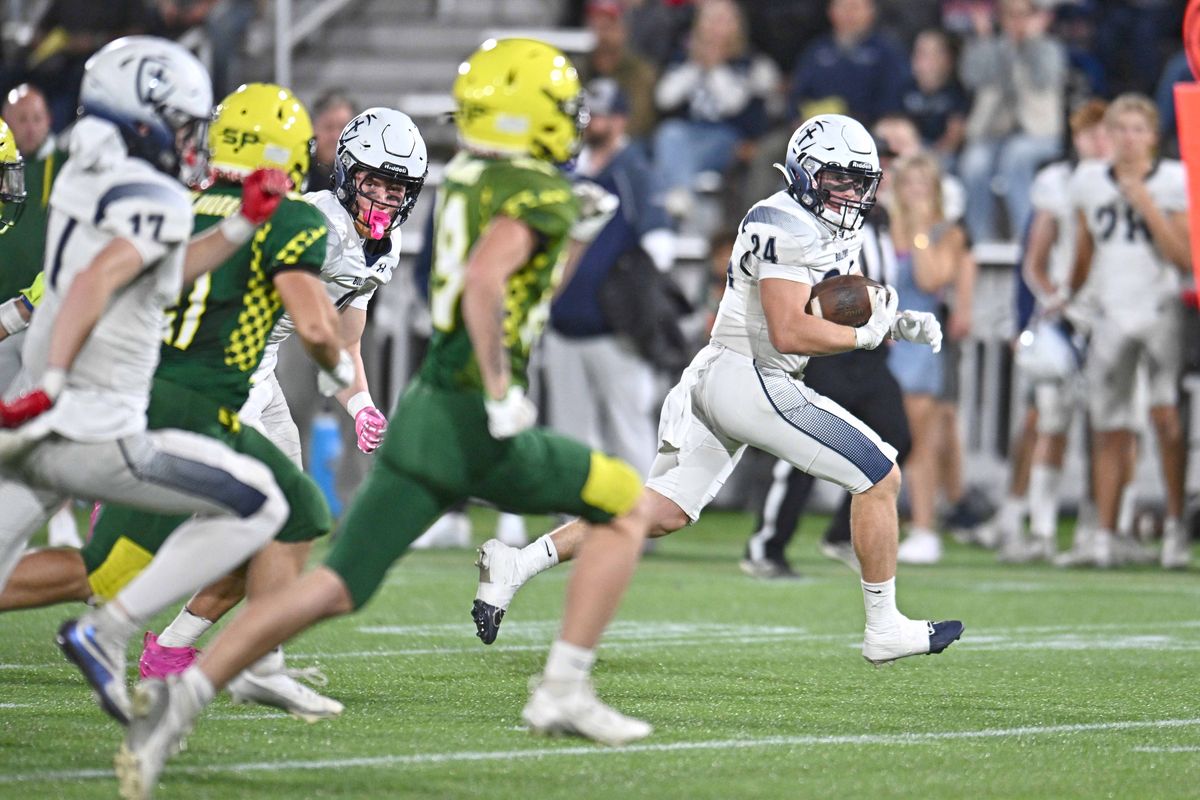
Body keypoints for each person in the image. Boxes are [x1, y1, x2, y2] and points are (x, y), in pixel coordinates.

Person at [116, 39, 655, 799]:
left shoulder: (469, 179)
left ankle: (184, 696)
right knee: (628, 505)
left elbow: (481, 281)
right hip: (466, 413)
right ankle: (564, 683)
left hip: (426, 413)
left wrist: (363, 398)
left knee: (335, 579)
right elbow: (486, 281)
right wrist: (501, 387)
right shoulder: (532, 193)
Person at [473, 114, 962, 667]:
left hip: (724, 377)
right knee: (879, 473)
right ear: (805, 174)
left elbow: (822, 299)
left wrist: (895, 321)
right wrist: (866, 336)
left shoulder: (818, 225)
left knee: (661, 511)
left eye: (859, 181)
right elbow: (789, 328)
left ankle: (517, 565)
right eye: (838, 180)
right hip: (753, 376)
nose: (850, 194)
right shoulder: (786, 222)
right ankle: (884, 626)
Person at [0, 83, 356, 722]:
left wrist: (49, 378)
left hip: (96, 389)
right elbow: (317, 326)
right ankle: (117, 632)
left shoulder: (171, 203)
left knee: (290, 505)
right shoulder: (293, 218)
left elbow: (82, 285)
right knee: (111, 570)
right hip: (176, 409)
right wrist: (337, 371)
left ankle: (251, 660)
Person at [741, 207, 911, 578]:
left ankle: (841, 535)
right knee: (801, 450)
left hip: (870, 352)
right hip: (828, 351)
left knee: (896, 436)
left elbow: (879, 287)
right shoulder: (813, 221)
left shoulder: (882, 219)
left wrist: (892, 323)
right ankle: (766, 546)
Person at [980, 99, 1111, 562]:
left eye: (1104, 132)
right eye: (1088, 132)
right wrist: (1046, 305)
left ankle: (1101, 529)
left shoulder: (1130, 182)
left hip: (1112, 315)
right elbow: (1033, 259)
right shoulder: (1057, 182)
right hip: (1066, 315)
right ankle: (1038, 527)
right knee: (1047, 419)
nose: (1097, 141)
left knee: (1108, 427)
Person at [1066, 93, 1192, 570]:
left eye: (1138, 129)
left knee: (1165, 420)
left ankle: (1176, 527)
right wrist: (1066, 296)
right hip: (1110, 312)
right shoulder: (1090, 181)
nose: (1128, 139)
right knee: (1107, 426)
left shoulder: (1174, 180)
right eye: (1120, 129)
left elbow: (1184, 257)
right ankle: (1105, 532)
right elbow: (1084, 251)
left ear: (1153, 136)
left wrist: (1145, 202)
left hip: (1159, 309)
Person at [542, 78, 676, 481]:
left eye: (601, 115)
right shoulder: (564, 171)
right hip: (564, 321)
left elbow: (660, 246)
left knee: (628, 425)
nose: (593, 123)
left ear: (620, 120)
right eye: (588, 115)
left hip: (615, 327)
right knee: (570, 432)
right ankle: (573, 523)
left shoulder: (634, 170)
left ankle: (640, 522)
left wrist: (629, 294)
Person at [885, 152, 970, 566]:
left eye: (924, 184)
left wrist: (919, 233)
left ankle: (924, 527)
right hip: (881, 341)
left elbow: (932, 279)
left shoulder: (945, 233)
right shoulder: (881, 228)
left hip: (918, 343)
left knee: (919, 441)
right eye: (909, 184)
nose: (915, 192)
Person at [652, 0, 779, 217]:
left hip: (729, 138)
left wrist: (714, 67)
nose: (715, 28)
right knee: (669, 133)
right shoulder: (684, 58)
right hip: (688, 134)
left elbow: (733, 104)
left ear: (737, 25)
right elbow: (663, 99)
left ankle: (678, 194)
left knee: (682, 150)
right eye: (710, 20)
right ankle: (680, 194)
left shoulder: (750, 62)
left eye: (724, 20)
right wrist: (694, 66)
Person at [958, 0, 1066, 242]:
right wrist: (984, 40)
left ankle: (1026, 236)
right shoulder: (992, 47)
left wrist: (1029, 45)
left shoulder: (1048, 48)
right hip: (994, 134)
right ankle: (980, 240)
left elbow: (1044, 80)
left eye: (1022, 15)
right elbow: (971, 78)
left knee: (1016, 156)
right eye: (1009, 15)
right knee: (974, 163)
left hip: (1041, 134)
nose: (1016, 22)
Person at [307, 90, 357, 192]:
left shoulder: (361, 182)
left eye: (343, 128)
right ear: (313, 128)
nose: (335, 136)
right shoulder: (298, 175)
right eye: (328, 127)